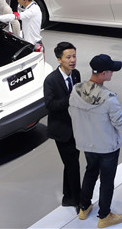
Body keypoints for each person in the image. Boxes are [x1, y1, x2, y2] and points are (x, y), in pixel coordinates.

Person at [69, 54, 122, 228]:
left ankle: (84, 207)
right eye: (111, 71)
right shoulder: (109, 98)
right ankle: (104, 216)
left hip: (86, 143)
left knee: (91, 171)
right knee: (107, 180)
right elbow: (120, 124)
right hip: (107, 146)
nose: (113, 73)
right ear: (103, 73)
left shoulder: (76, 90)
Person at [43, 42, 82, 212]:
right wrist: (70, 98)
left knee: (71, 163)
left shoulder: (76, 74)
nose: (72, 60)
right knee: (73, 165)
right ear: (59, 59)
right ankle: (79, 201)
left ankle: (68, 197)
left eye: (74, 56)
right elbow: (50, 105)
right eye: (68, 57)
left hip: (76, 128)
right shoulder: (51, 80)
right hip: (61, 130)